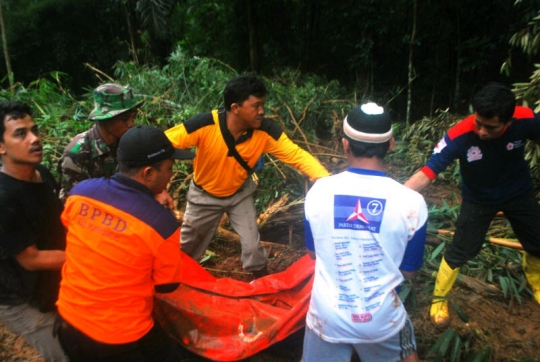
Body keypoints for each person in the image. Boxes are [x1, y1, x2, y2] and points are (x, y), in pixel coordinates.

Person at [165, 74, 330, 277]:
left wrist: (325, 180)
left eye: (263, 105)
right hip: (203, 197)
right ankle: (176, 283)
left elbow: (296, 155)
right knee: (188, 247)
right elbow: (163, 143)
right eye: (256, 106)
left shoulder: (266, 131)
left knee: (252, 247)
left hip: (239, 195)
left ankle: (262, 285)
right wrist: (158, 188)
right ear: (235, 108)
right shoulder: (205, 125)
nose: (262, 111)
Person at [404, 83, 540, 327]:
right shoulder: (460, 135)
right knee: (461, 249)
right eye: (478, 122)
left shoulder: (525, 119)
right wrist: (391, 196)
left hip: (518, 191)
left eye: (491, 127)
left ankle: (536, 282)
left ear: (508, 122)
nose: (482, 131)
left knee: (537, 241)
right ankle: (439, 299)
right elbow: (427, 172)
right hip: (479, 198)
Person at [56, 125, 194, 362]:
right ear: (149, 173)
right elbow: (166, 286)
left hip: (67, 322)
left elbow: (75, 231)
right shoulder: (162, 225)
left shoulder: (80, 193)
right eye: (170, 169)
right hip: (119, 337)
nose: (171, 176)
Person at [302, 103, 427, 362]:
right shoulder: (412, 202)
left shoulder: (318, 192)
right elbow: (408, 271)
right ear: (390, 145)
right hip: (380, 320)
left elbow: (313, 254)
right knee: (405, 350)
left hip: (327, 317)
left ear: (345, 144)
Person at [0, 101, 68, 361]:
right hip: (21, 300)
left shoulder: (40, 172)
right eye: (21, 133)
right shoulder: (4, 199)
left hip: (51, 283)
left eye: (35, 130)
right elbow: (31, 259)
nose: (35, 139)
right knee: (65, 354)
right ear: (1, 147)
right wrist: (91, 256)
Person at [58, 83, 175, 209]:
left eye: (133, 117)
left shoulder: (131, 141)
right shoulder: (77, 153)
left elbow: (148, 173)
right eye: (124, 119)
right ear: (105, 119)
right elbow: (75, 203)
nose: (131, 124)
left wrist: (159, 192)